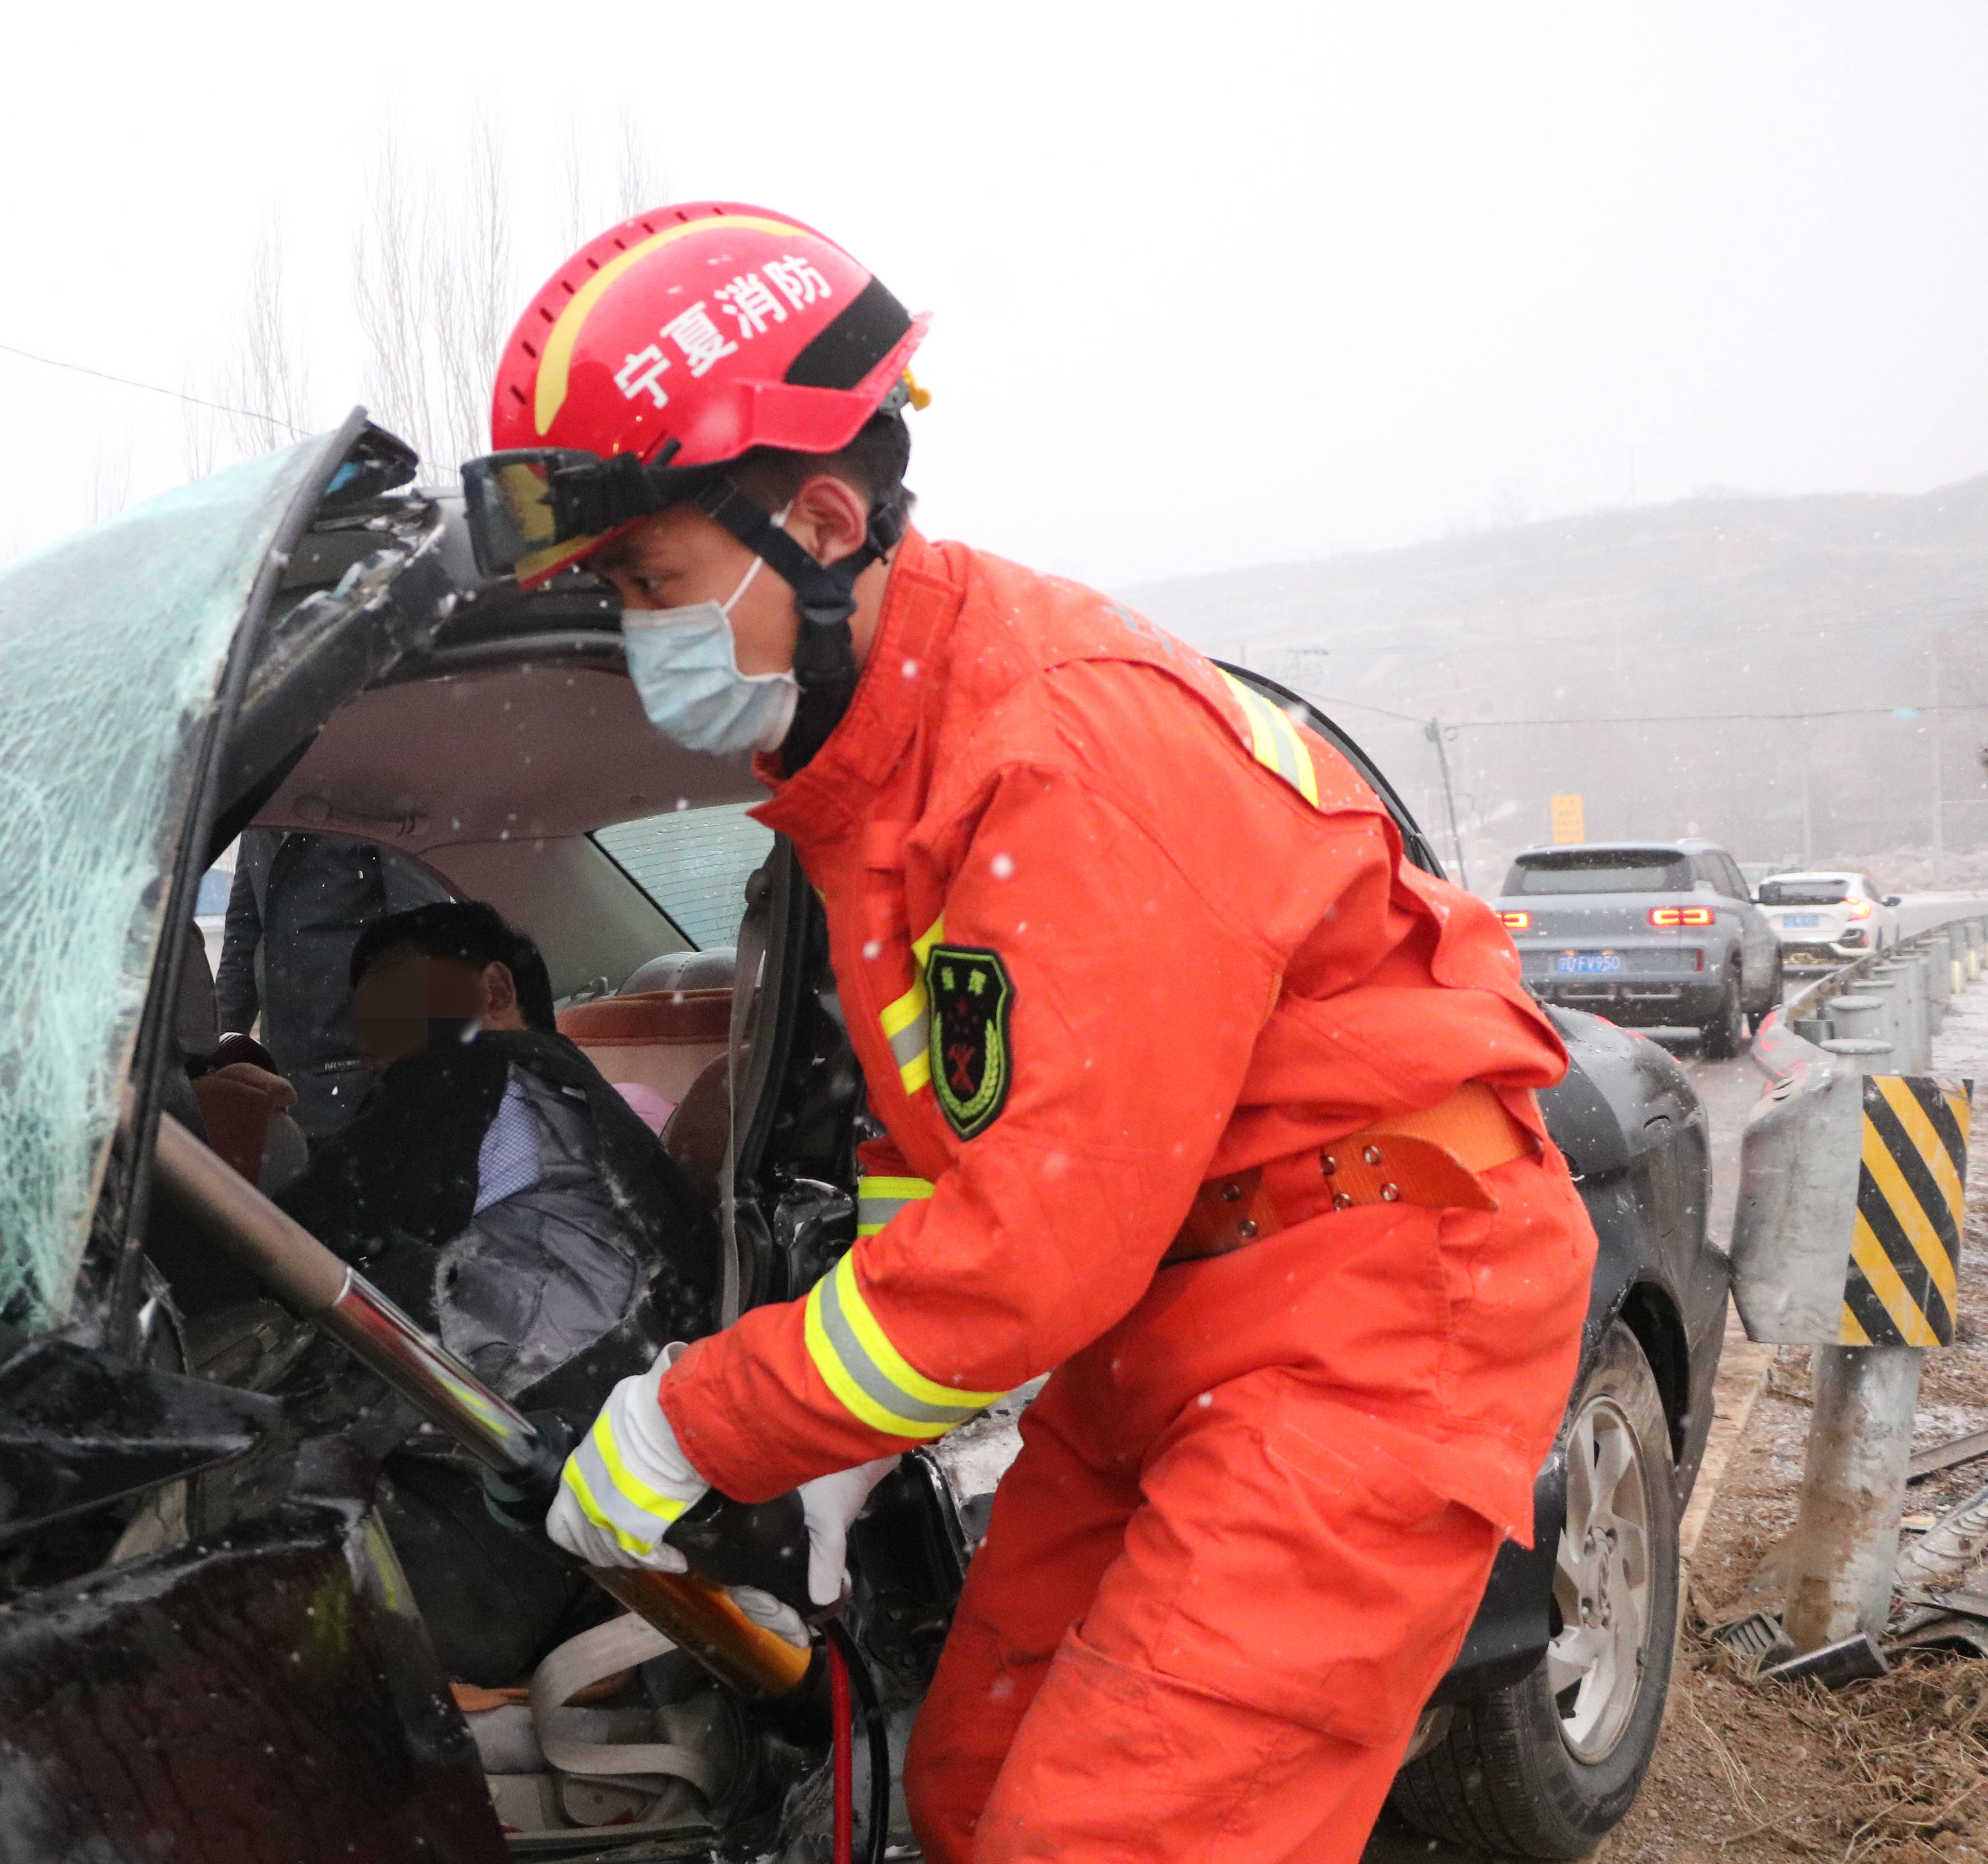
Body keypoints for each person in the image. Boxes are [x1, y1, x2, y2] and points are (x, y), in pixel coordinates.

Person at [466, 205, 1599, 1863]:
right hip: (1173, 1327)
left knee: (1101, 1837)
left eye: (652, 584)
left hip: (1366, 1324)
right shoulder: (877, 791)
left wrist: (699, 1418)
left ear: (825, 519)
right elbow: (962, 1168)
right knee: (970, 1785)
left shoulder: (1050, 754)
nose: (641, 641)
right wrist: (843, 1437)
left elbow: (1027, 1260)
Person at [276, 900, 718, 1687]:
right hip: (579, 1521)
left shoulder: (476, 1069)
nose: (369, 1038)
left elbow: (296, 1244)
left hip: (489, 1542)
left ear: (490, 989)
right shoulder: (587, 1118)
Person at [213, 830, 450, 1141]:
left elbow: (421, 934)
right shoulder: (265, 812)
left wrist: (397, 1073)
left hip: (364, 1079)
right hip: (285, 1080)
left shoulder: (371, 799)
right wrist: (211, 1053)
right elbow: (243, 938)